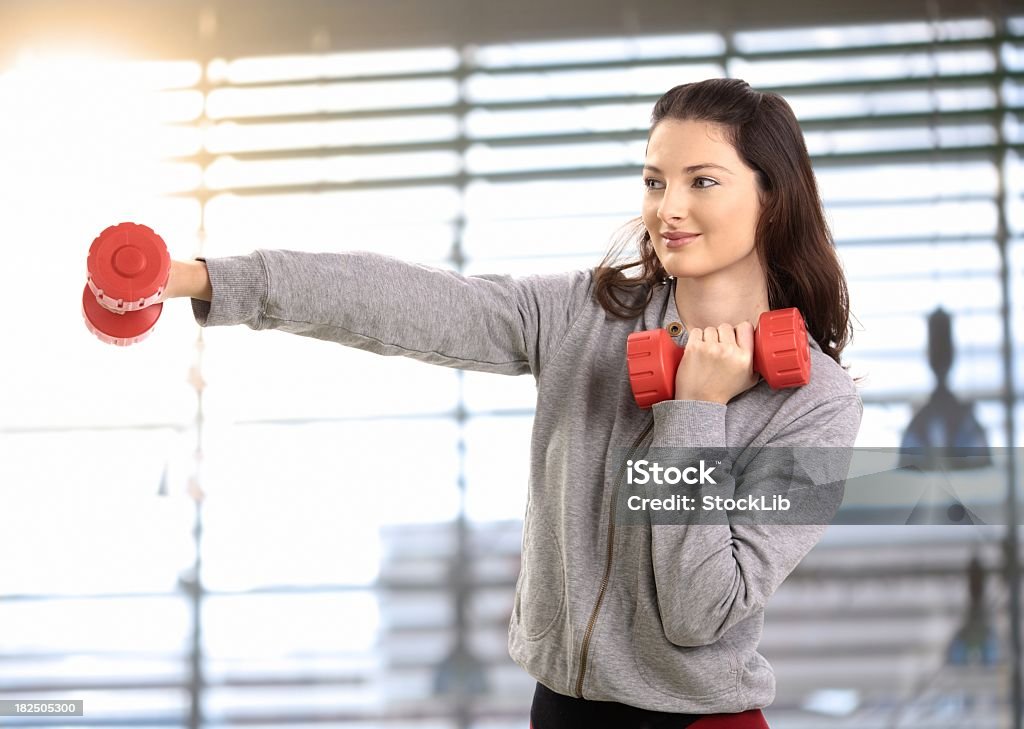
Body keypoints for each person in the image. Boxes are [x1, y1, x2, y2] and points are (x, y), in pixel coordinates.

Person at [154, 78, 863, 728]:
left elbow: (700, 610)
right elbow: (407, 302)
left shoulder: (819, 403)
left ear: (772, 197)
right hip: (556, 710)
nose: (667, 208)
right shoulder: (584, 315)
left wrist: (695, 412)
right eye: (655, 180)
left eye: (702, 181)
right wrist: (207, 279)